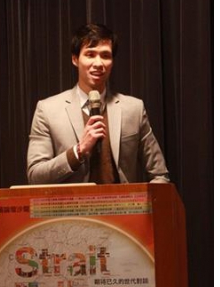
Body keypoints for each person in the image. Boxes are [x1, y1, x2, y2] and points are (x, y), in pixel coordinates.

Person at [26, 23, 171, 185]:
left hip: (124, 201)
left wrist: (146, 200)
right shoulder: (47, 110)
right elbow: (35, 175)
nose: (98, 63)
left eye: (105, 56)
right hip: (72, 202)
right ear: (75, 59)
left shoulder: (134, 109)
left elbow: (160, 175)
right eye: (90, 54)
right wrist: (78, 151)